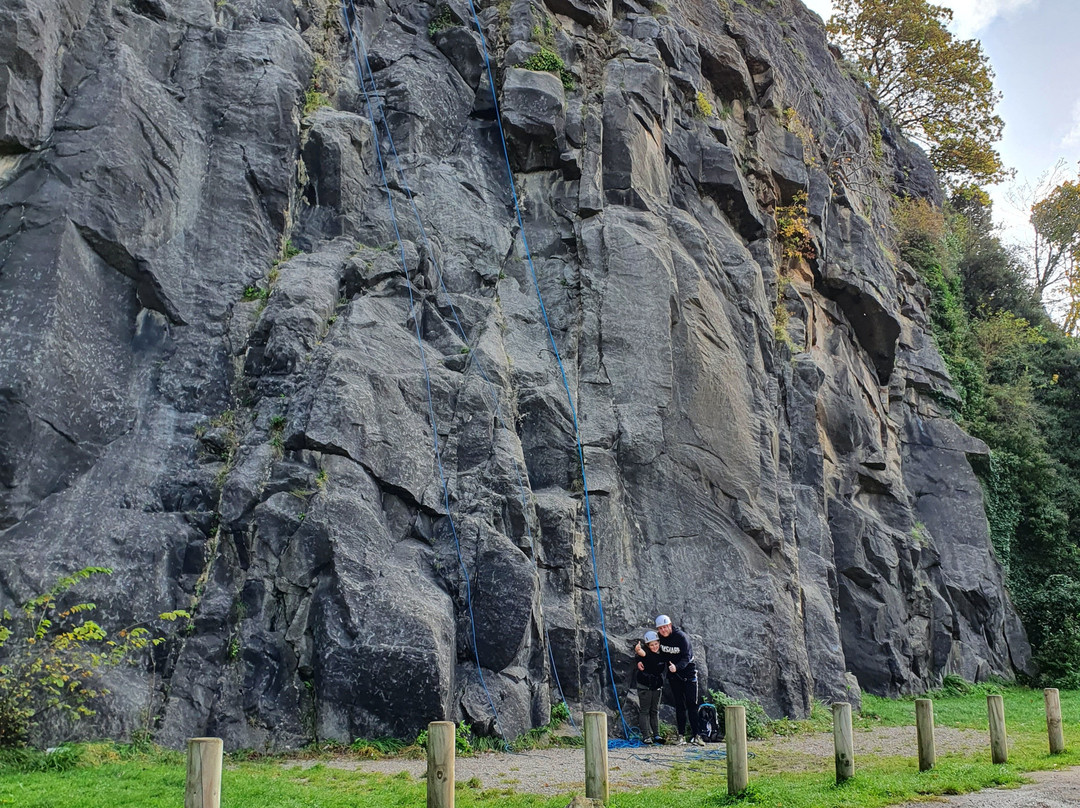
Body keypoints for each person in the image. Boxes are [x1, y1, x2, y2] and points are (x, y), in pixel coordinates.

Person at [637, 614, 703, 745]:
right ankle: (681, 735)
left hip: (688, 673)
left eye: (665, 627)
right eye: (660, 628)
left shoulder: (681, 637)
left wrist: (676, 667)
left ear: (670, 625)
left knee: (692, 704)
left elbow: (687, 657)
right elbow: (650, 650)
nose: (663, 630)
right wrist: (639, 660)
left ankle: (696, 735)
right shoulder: (659, 638)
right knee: (679, 704)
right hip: (674, 676)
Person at [634, 630, 666, 744]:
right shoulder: (646, 653)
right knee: (645, 710)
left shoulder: (662, 653)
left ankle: (656, 734)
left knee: (654, 710)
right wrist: (638, 651)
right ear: (648, 645)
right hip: (645, 686)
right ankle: (646, 736)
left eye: (656, 644)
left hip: (656, 685)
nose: (654, 647)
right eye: (652, 645)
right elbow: (643, 654)